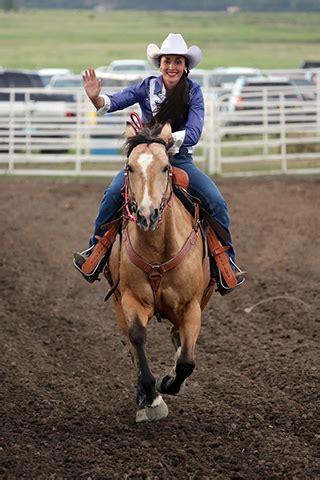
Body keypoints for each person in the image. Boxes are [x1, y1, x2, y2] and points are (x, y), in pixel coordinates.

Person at [74, 33, 245, 295]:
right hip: (147, 160)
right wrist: (97, 98)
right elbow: (117, 100)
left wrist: (166, 140)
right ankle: (94, 254)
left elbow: (194, 131)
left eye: (178, 61)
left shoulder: (194, 93)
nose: (172, 66)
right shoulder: (147, 86)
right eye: (167, 61)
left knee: (216, 202)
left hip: (180, 160)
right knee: (111, 194)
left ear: (185, 66)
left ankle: (225, 264)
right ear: (160, 63)